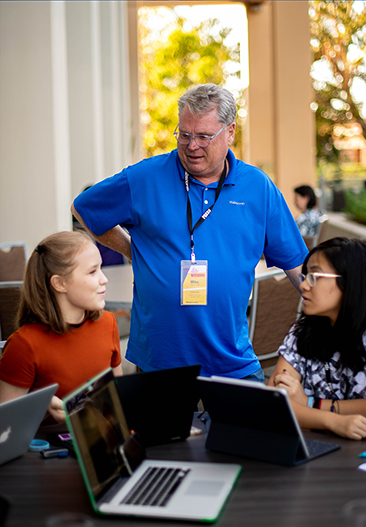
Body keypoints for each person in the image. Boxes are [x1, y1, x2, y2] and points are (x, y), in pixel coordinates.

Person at [72, 83, 308, 382]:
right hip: (161, 362)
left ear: (230, 132)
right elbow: (84, 208)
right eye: (184, 135)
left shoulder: (258, 188)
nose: (192, 145)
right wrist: (131, 249)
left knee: (251, 429)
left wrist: (340, 313)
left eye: (204, 136)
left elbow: (296, 265)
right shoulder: (145, 177)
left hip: (233, 361)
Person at [269, 237, 366, 440]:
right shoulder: (303, 330)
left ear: (348, 281)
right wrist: (333, 421)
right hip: (319, 445)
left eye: (314, 276)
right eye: (305, 277)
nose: (303, 286)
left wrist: (309, 404)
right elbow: (274, 402)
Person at [0, 230, 123, 425]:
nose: (103, 279)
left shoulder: (108, 323)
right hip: (47, 449)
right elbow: (6, 427)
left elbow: (118, 396)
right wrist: (40, 405)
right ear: (59, 283)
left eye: (101, 268)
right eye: (92, 271)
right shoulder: (23, 345)